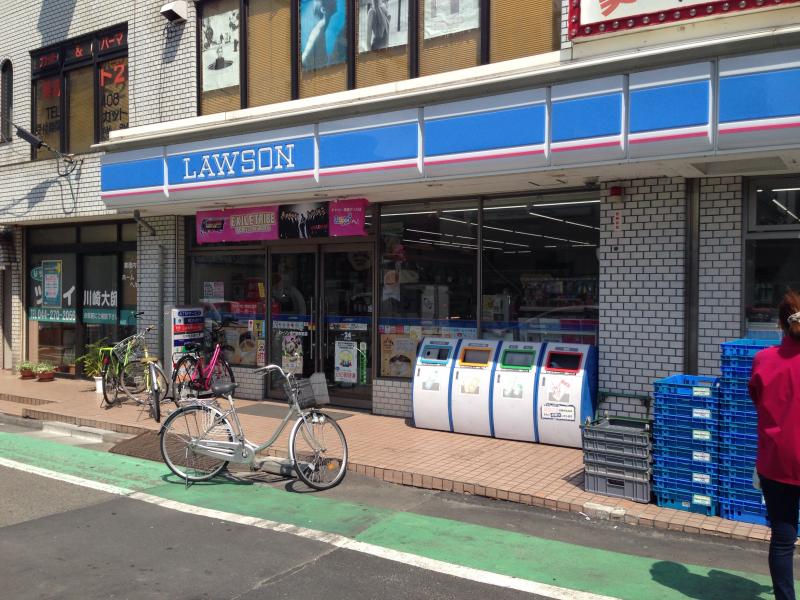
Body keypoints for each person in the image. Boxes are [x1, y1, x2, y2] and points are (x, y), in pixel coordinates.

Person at [749, 290, 800, 600]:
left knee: (783, 538)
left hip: (777, 461)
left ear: (780, 325)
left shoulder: (763, 360)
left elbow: (758, 401)